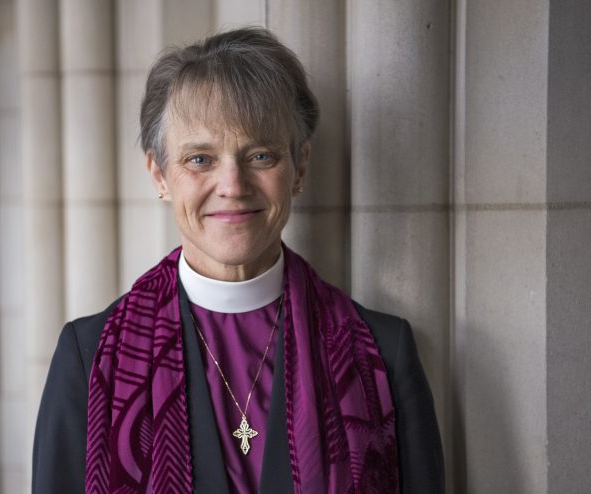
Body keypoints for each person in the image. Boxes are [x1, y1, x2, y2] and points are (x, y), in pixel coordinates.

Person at [32, 27, 444, 494]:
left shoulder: (385, 353)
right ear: (159, 174)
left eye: (261, 155)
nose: (233, 185)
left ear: (299, 168)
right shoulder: (86, 358)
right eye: (200, 159)